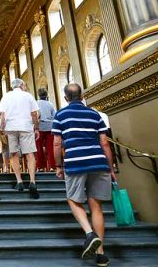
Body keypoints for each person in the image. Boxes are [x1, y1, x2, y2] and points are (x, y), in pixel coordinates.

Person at [52, 83, 116, 267]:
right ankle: (101, 254)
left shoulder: (61, 114)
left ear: (66, 98)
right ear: (82, 96)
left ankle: (89, 233)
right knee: (96, 206)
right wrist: (110, 168)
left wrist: (58, 165)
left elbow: (57, 143)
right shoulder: (95, 114)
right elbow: (105, 143)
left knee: (73, 199)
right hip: (98, 161)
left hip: (75, 161)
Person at [0, 78, 40, 199]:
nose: (25, 87)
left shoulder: (7, 96)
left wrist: (3, 128)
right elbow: (34, 114)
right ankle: (32, 181)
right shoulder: (28, 96)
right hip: (26, 127)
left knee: (13, 154)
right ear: (21, 85)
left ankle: (19, 181)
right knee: (30, 153)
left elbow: (2, 115)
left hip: (11, 127)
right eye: (25, 85)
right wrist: (36, 128)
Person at [35, 87, 57, 172]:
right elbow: (55, 116)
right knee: (50, 147)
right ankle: (52, 166)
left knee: (39, 147)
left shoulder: (36, 103)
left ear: (39, 95)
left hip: (40, 127)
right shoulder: (50, 104)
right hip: (50, 127)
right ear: (46, 95)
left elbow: (35, 115)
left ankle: (40, 167)